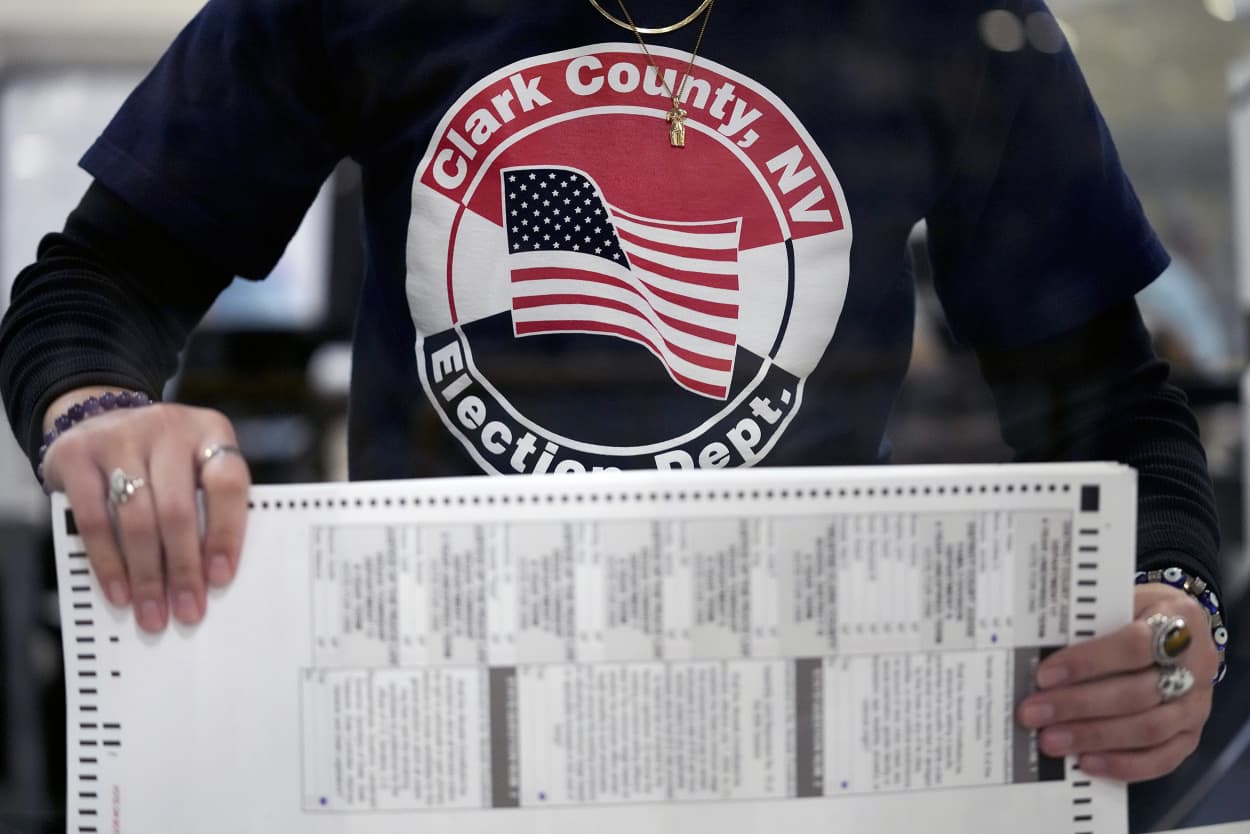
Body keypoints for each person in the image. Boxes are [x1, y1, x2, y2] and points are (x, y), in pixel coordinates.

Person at [0, 0, 1227, 787]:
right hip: (434, 734)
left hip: (812, 745)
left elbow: (1110, 402)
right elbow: (96, 282)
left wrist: (1170, 614)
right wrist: (100, 415)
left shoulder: (946, 16)